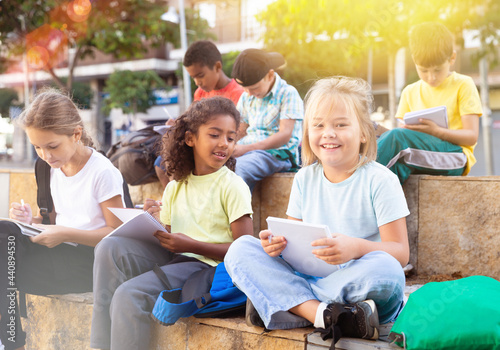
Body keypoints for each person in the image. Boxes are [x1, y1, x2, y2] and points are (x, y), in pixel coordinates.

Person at [224, 77, 410, 346]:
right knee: (240, 249)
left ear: (363, 133)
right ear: (307, 133)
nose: (329, 133)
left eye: (341, 124)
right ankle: (327, 314)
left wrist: (355, 247)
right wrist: (276, 245)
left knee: (388, 271)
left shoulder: (380, 180)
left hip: (359, 279)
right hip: (311, 277)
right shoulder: (304, 178)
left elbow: (400, 254)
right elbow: (292, 243)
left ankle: (293, 307)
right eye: (319, 125)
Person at [90, 97, 254, 350]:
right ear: (190, 139)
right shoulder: (176, 185)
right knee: (108, 246)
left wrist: (193, 245)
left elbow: (244, 250)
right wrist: (150, 220)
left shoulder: (232, 186)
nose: (224, 143)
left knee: (128, 295)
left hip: (206, 267)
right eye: (214, 134)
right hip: (177, 257)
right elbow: (169, 236)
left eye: (231, 138)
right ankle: (99, 345)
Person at [0, 89, 125, 350]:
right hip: (57, 252)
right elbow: (53, 218)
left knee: (4, 263)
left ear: (76, 134)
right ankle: (11, 339)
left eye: (52, 146)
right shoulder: (47, 167)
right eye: (37, 147)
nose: (45, 155)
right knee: (5, 232)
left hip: (90, 262)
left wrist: (65, 234)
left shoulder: (102, 172)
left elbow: (117, 233)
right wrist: (31, 220)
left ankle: (10, 340)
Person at [377, 22, 482, 184]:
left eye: (438, 70)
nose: (431, 77)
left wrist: (436, 131)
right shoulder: (409, 91)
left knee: (396, 138)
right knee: (393, 168)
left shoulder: (463, 84)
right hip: (418, 156)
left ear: (452, 58)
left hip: (456, 157)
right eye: (424, 70)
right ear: (414, 61)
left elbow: (471, 137)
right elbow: (403, 131)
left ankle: (357, 185)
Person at [154, 40, 244, 188]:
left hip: (219, 150)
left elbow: (236, 132)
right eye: (193, 77)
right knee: (161, 163)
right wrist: (177, 125)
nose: (197, 82)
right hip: (198, 147)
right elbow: (192, 122)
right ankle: (173, 199)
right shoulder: (200, 93)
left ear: (217, 67)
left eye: (200, 75)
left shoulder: (237, 93)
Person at [231, 48, 304, 192]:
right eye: (245, 89)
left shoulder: (288, 93)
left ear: (270, 75)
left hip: (277, 154)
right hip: (247, 152)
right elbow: (240, 129)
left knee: (238, 169)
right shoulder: (247, 96)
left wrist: (246, 149)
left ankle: (239, 214)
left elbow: (284, 135)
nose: (249, 93)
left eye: (254, 88)